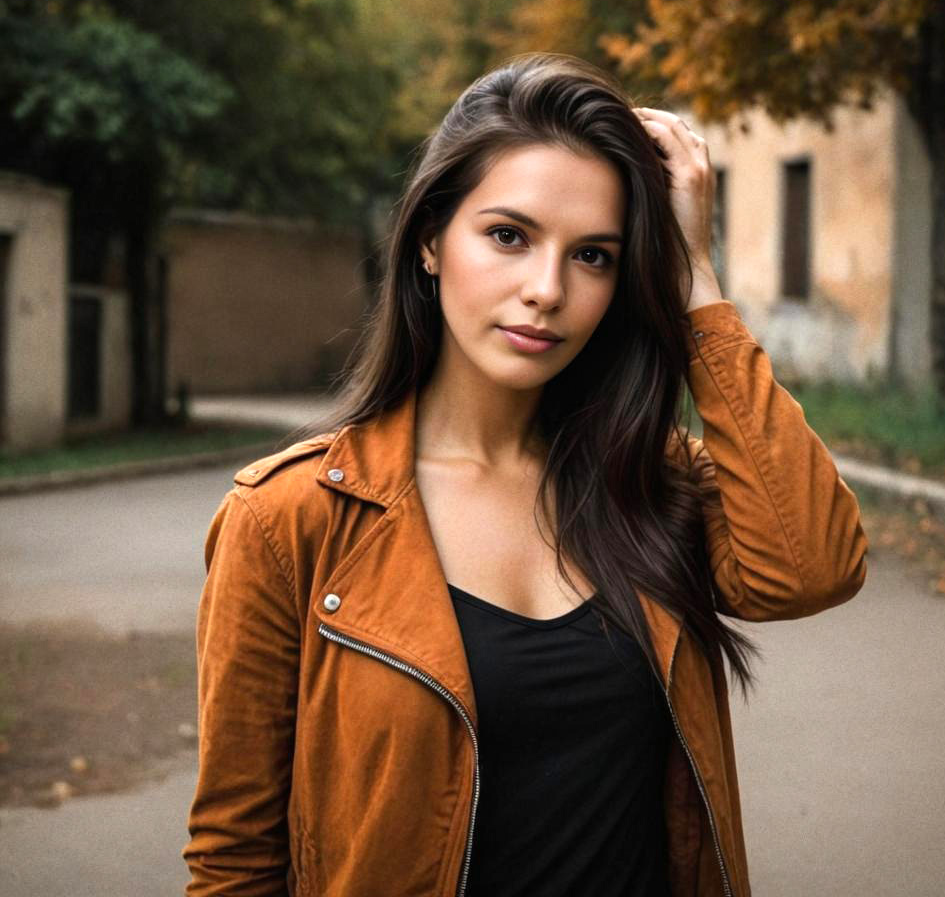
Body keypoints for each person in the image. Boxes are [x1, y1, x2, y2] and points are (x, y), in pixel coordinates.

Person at [182, 52, 868, 897]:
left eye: (594, 257)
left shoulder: (651, 483)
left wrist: (696, 281)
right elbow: (234, 861)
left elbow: (812, 568)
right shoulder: (290, 520)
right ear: (431, 241)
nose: (547, 289)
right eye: (508, 236)